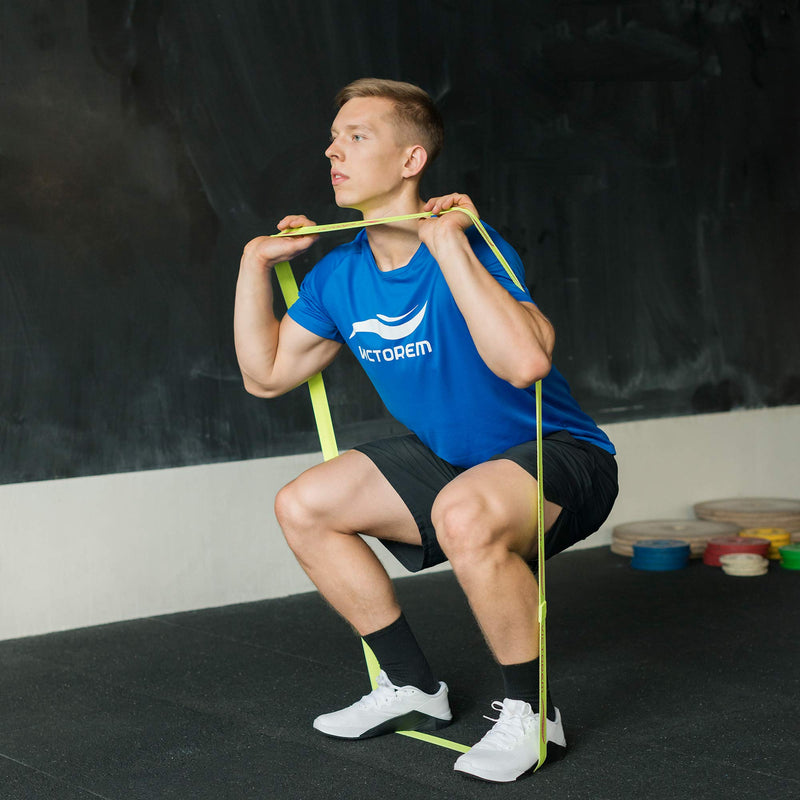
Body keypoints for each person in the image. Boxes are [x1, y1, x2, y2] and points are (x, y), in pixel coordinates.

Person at [234, 78, 618, 783]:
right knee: (303, 504)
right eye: (333, 137)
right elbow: (265, 376)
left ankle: (534, 718)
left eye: (356, 137)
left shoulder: (473, 245)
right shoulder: (339, 274)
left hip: (562, 456)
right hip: (454, 460)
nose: (332, 151)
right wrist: (253, 265)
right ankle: (413, 686)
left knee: (462, 510)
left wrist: (450, 247)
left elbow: (527, 362)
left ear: (411, 161)